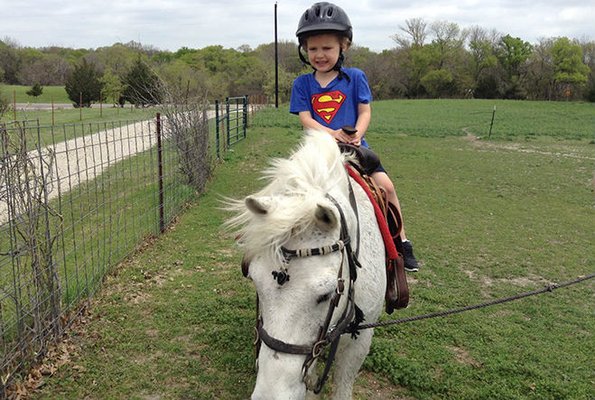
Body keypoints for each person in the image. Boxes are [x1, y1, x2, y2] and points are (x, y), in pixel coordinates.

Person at [289, 2, 419, 271]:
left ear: (343, 46)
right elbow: (306, 119)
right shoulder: (302, 83)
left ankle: (401, 242)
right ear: (305, 50)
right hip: (318, 149)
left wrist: (357, 134)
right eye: (313, 48)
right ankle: (286, 239)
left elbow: (364, 111)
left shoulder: (355, 78)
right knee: (291, 189)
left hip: (355, 149)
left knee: (386, 187)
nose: (319, 55)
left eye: (327, 48)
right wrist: (332, 134)